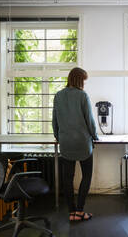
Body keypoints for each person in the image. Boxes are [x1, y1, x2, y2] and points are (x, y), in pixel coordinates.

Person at [52, 67, 99, 221]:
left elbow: (54, 121)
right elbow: (90, 121)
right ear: (79, 80)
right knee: (86, 176)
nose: (84, 84)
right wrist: (95, 136)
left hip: (65, 143)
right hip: (83, 143)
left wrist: (58, 137)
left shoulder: (58, 96)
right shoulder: (82, 95)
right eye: (83, 80)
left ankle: (71, 213)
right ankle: (80, 211)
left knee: (67, 178)